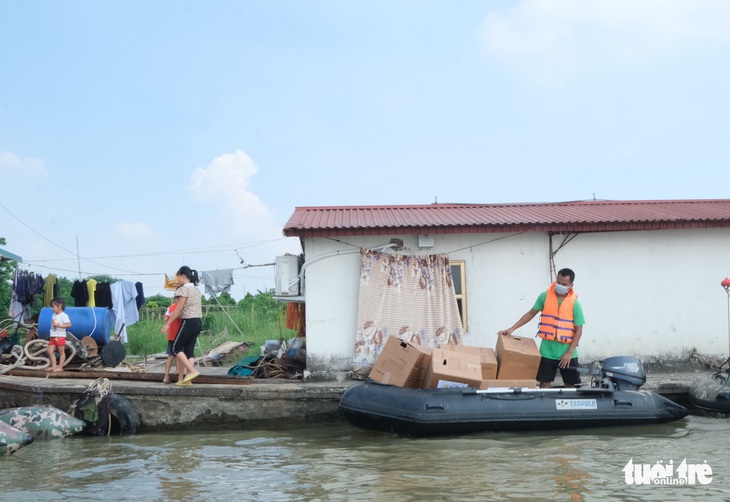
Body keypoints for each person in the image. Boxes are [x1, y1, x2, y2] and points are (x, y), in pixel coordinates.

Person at [497, 268, 585, 388]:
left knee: (569, 385)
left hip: (568, 352)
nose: (560, 285)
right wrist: (512, 329)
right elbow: (531, 314)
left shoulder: (575, 303)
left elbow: (579, 330)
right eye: (558, 282)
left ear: (571, 285)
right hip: (547, 351)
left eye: (564, 284)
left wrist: (569, 353)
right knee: (544, 384)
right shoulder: (545, 296)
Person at [161, 266, 202, 386]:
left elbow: (178, 309)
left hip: (188, 321)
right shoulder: (196, 290)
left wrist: (167, 324)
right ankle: (187, 380)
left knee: (176, 348)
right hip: (198, 322)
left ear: (183, 276)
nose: (177, 280)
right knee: (189, 352)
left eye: (178, 277)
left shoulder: (183, 290)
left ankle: (191, 371)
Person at [47, 297, 71, 372]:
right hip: (53, 336)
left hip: (60, 336)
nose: (52, 308)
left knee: (61, 352)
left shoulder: (64, 315)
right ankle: (54, 366)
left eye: (53, 306)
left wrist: (59, 326)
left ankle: (60, 367)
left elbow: (69, 325)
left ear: (60, 306)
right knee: (50, 351)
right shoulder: (54, 315)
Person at [161, 299, 182, 384]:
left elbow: (165, 318)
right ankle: (169, 375)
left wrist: (169, 320)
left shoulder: (170, 307)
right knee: (177, 355)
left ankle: (169, 374)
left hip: (171, 335)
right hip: (179, 335)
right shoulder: (182, 308)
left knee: (173, 355)